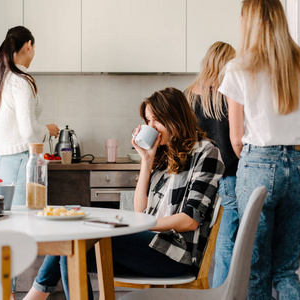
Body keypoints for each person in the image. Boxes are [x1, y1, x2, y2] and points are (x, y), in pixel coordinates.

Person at [24, 87, 225, 300]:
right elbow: (140, 210)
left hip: (175, 254)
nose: (151, 127)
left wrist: (140, 226)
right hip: (151, 245)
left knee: (76, 244)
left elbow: (189, 221)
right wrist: (146, 162)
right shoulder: (164, 154)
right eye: (148, 121)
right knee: (71, 250)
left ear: (175, 117)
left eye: (156, 120)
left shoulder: (206, 153)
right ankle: (36, 296)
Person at [219, 0, 300, 299]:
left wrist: (259, 164)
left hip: (258, 166)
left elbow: (236, 138)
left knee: (255, 268)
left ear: (248, 22)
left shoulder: (238, 68)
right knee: (286, 270)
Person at [0, 25, 59, 300]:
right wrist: (46, 129)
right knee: (13, 242)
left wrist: (6, 139)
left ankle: (3, 297)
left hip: (0, 164)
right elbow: (28, 132)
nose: (34, 53)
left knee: (3, 241)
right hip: (18, 163)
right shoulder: (21, 81)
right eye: (34, 48)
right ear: (27, 45)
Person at [185, 41, 238, 288]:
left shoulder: (187, 94)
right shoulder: (231, 94)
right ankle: (221, 292)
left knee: (199, 241)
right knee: (225, 243)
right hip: (229, 175)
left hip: (198, 180)